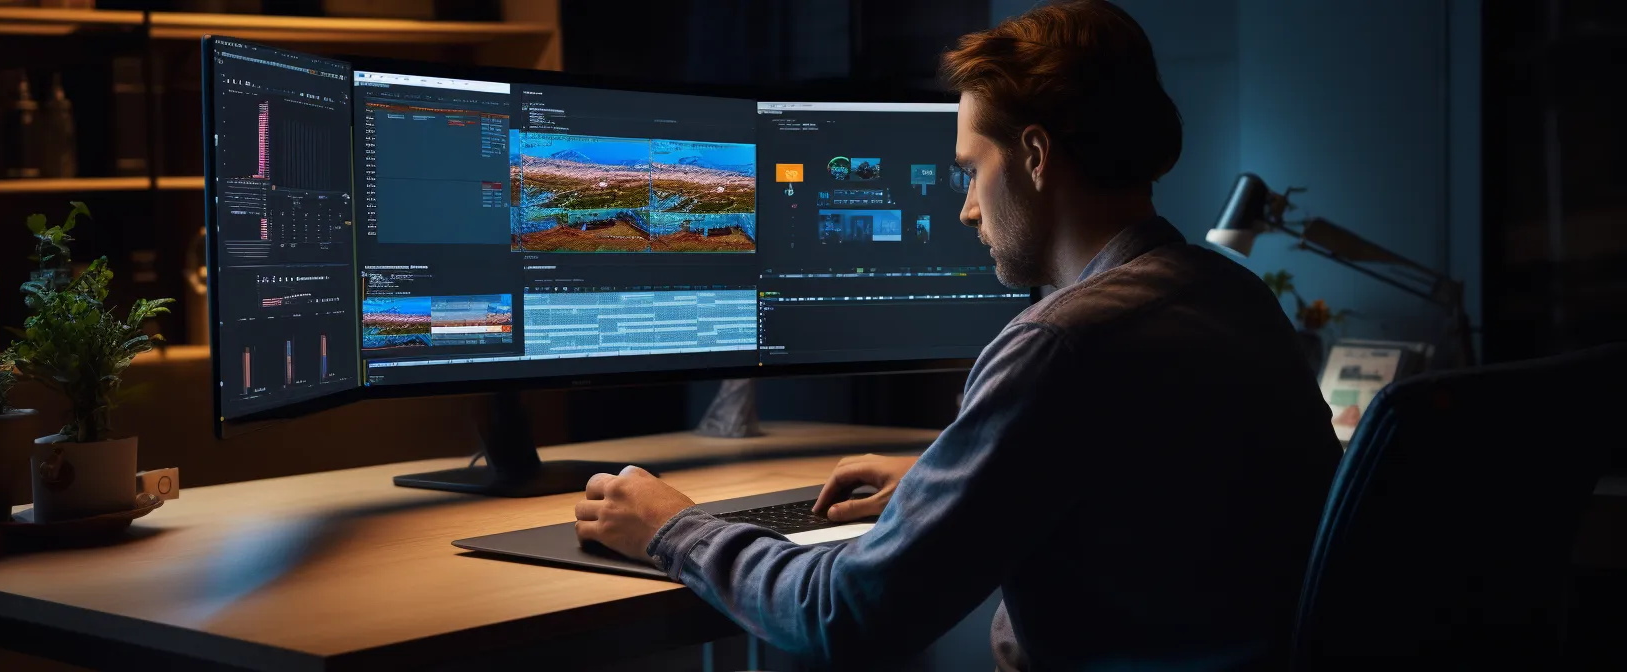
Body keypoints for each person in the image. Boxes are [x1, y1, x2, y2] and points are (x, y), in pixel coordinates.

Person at [573, 1, 1344, 669]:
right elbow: (1157, 494)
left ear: (1036, 157)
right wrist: (962, 474)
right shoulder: (1229, 293)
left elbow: (843, 617)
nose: (966, 209)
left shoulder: (1061, 343)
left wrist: (674, 528)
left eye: (972, 170)